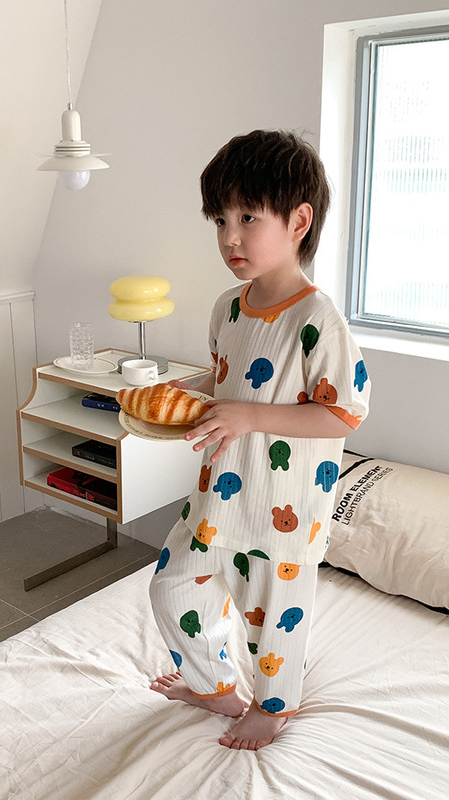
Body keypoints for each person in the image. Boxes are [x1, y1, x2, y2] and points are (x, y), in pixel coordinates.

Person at [149, 129, 370, 750]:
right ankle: (215, 685)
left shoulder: (318, 319)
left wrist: (249, 417)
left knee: (272, 617)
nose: (230, 238)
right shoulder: (228, 307)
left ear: (298, 221)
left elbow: (344, 414)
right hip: (217, 493)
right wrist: (179, 397)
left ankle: (273, 708)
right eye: (220, 220)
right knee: (172, 587)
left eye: (248, 217)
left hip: (284, 507)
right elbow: (229, 382)